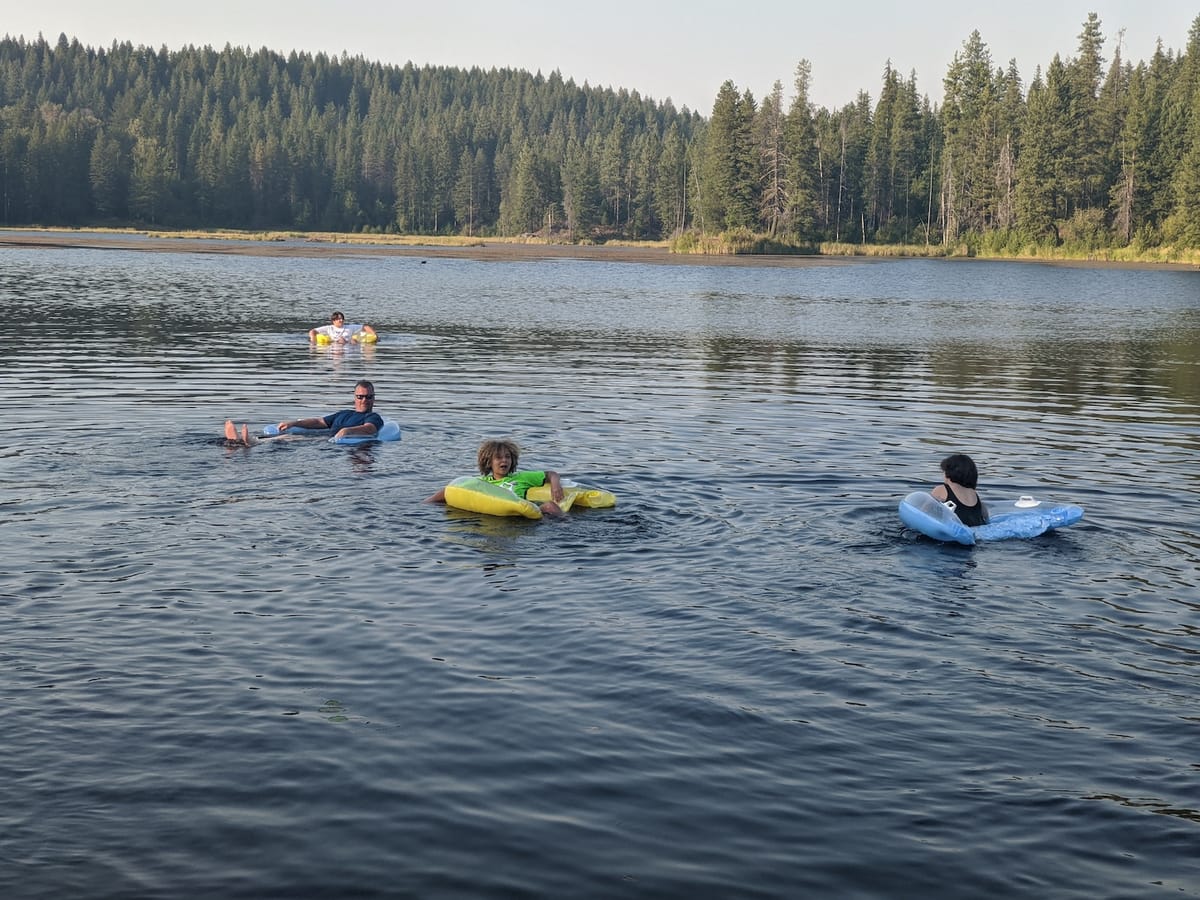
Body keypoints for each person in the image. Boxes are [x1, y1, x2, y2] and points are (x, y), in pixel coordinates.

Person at [426, 438, 566, 516]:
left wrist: (555, 485)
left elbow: (550, 474)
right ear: (488, 462)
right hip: (493, 516)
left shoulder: (521, 477)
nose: (504, 461)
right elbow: (449, 490)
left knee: (550, 506)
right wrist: (424, 506)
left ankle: (564, 530)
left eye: (507, 457)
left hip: (521, 514)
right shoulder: (481, 482)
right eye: (498, 458)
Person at [223, 380, 383, 446]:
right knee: (287, 435)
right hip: (324, 438)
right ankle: (241, 441)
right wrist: (294, 422)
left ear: (374, 398)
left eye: (368, 397)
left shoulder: (373, 417)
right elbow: (319, 422)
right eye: (360, 396)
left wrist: (348, 431)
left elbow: (370, 428)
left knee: (289, 439)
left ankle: (250, 442)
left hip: (331, 443)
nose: (364, 400)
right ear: (354, 397)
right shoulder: (343, 413)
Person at [930, 453, 989, 526]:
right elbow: (986, 519)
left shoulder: (942, 490)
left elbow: (923, 512)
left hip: (951, 533)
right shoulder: (974, 494)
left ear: (948, 473)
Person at [308, 311, 377, 344]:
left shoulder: (349, 327)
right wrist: (313, 341)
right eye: (339, 319)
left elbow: (365, 327)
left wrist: (375, 335)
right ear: (333, 321)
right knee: (340, 341)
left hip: (348, 344)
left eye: (342, 319)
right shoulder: (329, 328)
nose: (341, 320)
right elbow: (312, 331)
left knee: (353, 341)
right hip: (335, 345)